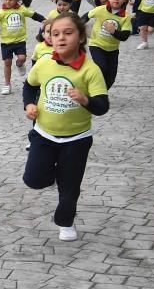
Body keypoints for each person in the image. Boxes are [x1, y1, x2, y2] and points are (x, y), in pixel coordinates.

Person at [22, 13, 108, 242]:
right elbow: (29, 86)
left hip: (77, 139)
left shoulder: (90, 70)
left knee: (70, 186)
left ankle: (65, 222)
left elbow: (102, 107)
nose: (60, 38)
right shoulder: (44, 63)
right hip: (43, 134)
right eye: (55, 33)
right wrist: (29, 104)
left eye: (68, 33)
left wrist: (85, 100)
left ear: (80, 37)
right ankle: (53, 173)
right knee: (34, 180)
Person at [0, 0, 44, 95]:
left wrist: (44, 20)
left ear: (17, 0)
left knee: (22, 58)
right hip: (6, 42)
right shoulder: (1, 12)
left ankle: (19, 65)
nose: (8, 2)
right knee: (7, 63)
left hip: (20, 41)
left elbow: (33, 15)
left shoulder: (21, 9)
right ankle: (7, 84)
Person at [83, 0, 133, 89]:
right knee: (101, 67)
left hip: (113, 49)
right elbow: (86, 16)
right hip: (97, 45)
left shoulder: (125, 16)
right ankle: (91, 87)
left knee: (111, 77)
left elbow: (125, 36)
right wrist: (76, 26)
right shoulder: (100, 10)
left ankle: (99, 92)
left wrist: (114, 31)